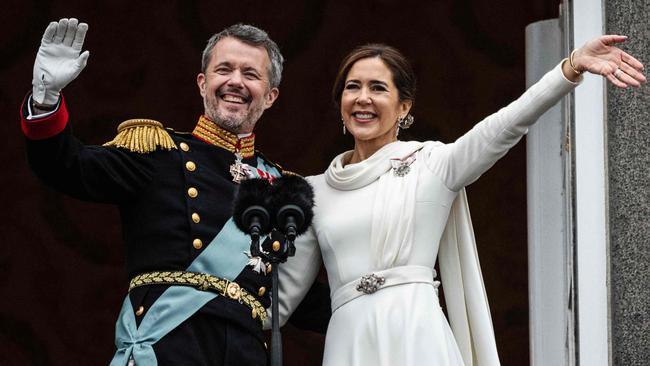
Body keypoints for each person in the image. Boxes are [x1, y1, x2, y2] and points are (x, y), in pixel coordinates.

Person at [276, 37, 645, 365]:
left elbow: (506, 125)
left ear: (404, 107)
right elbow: (279, 299)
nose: (363, 98)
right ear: (340, 102)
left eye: (378, 88)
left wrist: (570, 67)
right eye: (352, 87)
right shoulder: (312, 191)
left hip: (416, 334)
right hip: (349, 342)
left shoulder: (432, 164)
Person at [20, 18, 328, 366]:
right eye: (223, 69)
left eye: (251, 74)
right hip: (167, 346)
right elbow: (66, 166)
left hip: (244, 354)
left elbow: (299, 297)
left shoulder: (284, 189)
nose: (235, 82)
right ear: (202, 83)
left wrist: (387, 302)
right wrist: (46, 99)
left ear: (270, 96)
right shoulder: (158, 152)